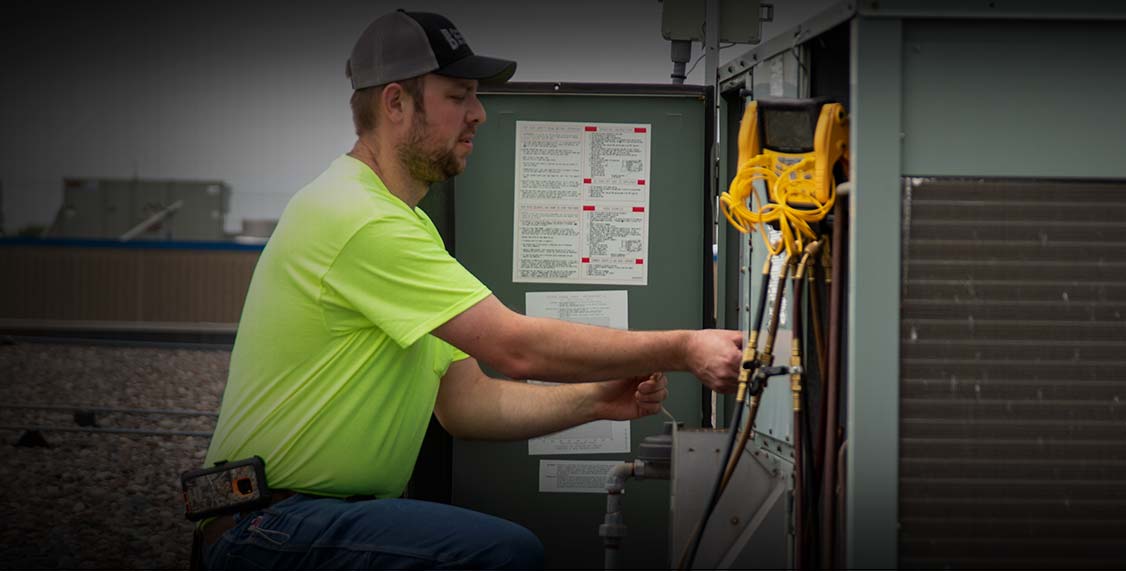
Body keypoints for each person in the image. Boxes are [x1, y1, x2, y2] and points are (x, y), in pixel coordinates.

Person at [195, 9, 742, 570]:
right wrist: (684, 348)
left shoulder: (404, 223)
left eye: (475, 97)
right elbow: (515, 347)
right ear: (395, 103)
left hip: (305, 521)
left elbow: (464, 403)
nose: (478, 114)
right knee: (500, 555)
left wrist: (596, 400)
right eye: (458, 97)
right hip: (273, 525)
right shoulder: (359, 217)